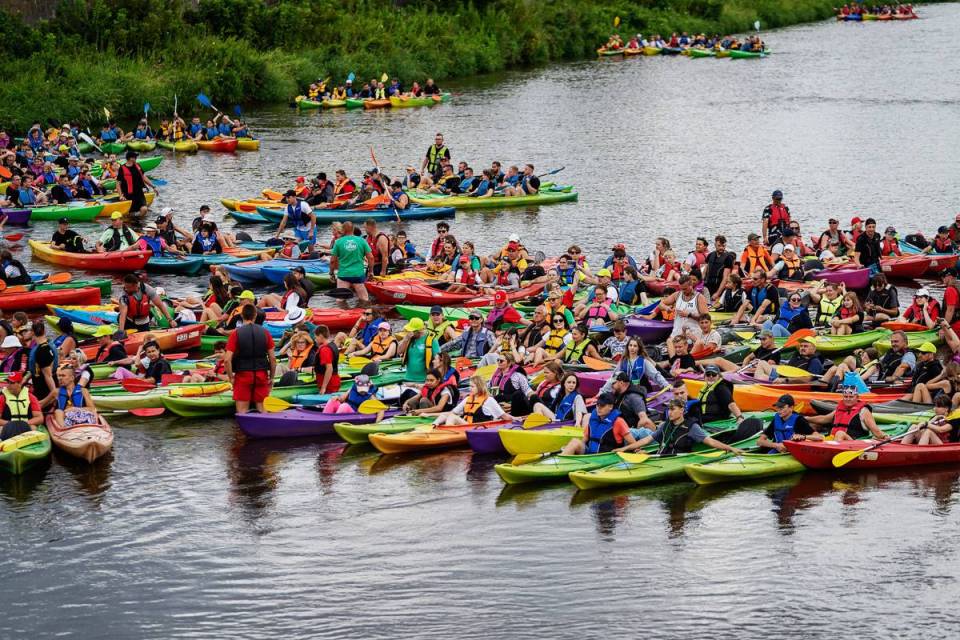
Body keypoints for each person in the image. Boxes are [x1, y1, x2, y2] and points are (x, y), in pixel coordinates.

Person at [614, 398, 746, 455]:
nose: (669, 412)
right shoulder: (665, 425)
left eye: (673, 409)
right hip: (662, 457)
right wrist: (624, 448)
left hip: (679, 458)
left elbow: (710, 441)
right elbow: (646, 440)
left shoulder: (692, 427)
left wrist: (730, 448)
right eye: (669, 409)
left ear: (682, 410)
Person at [225, 304, 277, 414]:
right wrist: (271, 378)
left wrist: (231, 378)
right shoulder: (265, 333)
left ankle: (242, 430)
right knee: (263, 410)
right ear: (255, 315)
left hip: (243, 376)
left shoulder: (236, 334)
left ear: (242, 315)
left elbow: (227, 360)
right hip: (261, 375)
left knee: (242, 412)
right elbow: (272, 358)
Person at [559, 393, 644, 455]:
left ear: (610, 406)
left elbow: (633, 443)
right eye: (597, 405)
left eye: (602, 406)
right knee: (575, 441)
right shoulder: (593, 419)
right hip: (590, 454)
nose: (598, 408)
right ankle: (560, 462)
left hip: (607, 456)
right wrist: (574, 449)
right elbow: (585, 439)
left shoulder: (618, 422)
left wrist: (637, 450)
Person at [808, 386, 887, 442]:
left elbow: (876, 431)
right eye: (846, 397)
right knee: (814, 427)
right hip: (833, 439)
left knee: (840, 433)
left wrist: (885, 437)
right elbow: (824, 419)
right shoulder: (839, 409)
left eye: (851, 397)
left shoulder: (864, 411)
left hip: (854, 442)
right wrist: (805, 418)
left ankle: (833, 450)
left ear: (857, 397)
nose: (848, 399)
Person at [435, 375, 513, 426]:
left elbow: (504, 416)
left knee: (453, 417)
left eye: (472, 386)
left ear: (479, 387)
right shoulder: (467, 399)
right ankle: (433, 427)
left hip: (475, 427)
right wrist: (428, 415)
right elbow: (452, 412)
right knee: (445, 416)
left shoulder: (489, 400)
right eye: (470, 386)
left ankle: (448, 435)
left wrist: (517, 419)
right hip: (465, 425)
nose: (470, 388)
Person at [330, 221, 372, 301]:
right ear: (353, 229)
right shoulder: (362, 240)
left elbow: (332, 260)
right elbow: (370, 257)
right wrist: (371, 271)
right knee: (364, 299)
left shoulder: (338, 242)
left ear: (343, 230)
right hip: (358, 275)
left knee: (340, 300)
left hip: (343, 275)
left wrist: (331, 273)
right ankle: (364, 313)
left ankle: (343, 312)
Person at [754, 337, 825, 383]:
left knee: (761, 366)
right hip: (783, 375)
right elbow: (789, 367)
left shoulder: (815, 362)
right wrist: (774, 365)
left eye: (806, 346)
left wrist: (785, 380)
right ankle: (768, 380)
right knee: (761, 362)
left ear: (814, 349)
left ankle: (764, 381)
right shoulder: (798, 355)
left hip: (788, 381)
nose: (802, 348)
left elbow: (808, 379)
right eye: (801, 346)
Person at [0, 372, 43, 440]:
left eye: (12, 383)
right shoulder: (2, 398)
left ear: (20, 383)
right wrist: (12, 424)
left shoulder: (31, 397)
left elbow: (40, 418)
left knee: (34, 428)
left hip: (25, 425)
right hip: (7, 426)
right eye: (8, 382)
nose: (8, 385)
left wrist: (22, 424)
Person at [24, 321, 57, 409]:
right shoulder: (48, 346)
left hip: (43, 389)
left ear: (32, 332)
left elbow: (48, 376)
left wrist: (54, 395)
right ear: (44, 331)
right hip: (39, 385)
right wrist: (23, 381)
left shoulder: (42, 351)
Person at [312, 325, 341, 395]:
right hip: (333, 381)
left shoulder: (325, 350)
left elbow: (329, 369)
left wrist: (323, 387)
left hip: (329, 385)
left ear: (321, 336)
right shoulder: (332, 344)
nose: (315, 340)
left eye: (316, 337)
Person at [704, 235, 735, 299]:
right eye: (719, 246)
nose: (721, 248)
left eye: (723, 246)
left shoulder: (728, 258)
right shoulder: (710, 255)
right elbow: (704, 272)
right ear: (715, 245)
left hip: (719, 287)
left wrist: (717, 293)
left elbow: (725, 278)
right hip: (707, 286)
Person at [940, 268, 960, 332]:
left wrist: (944, 328)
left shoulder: (950, 290)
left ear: (949, 277)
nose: (942, 279)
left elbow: (950, 310)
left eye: (943, 277)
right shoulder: (957, 287)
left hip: (955, 326)